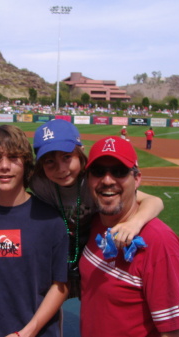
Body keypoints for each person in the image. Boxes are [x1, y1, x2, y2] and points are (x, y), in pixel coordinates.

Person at [30, 119, 164, 298]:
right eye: (49, 161)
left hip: (95, 247)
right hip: (64, 248)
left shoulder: (94, 182)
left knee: (96, 296)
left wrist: (134, 223)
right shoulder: (39, 183)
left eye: (67, 157)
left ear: (81, 153)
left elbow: (155, 201)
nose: (61, 169)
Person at [0, 125, 69, 337]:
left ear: (26, 164)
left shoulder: (51, 219)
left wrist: (28, 332)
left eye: (13, 158)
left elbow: (60, 285)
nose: (4, 166)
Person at [80, 136, 179, 336]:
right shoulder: (96, 220)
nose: (107, 180)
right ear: (88, 178)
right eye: (98, 172)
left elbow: (177, 332)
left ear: (137, 179)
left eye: (119, 172)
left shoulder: (160, 242)